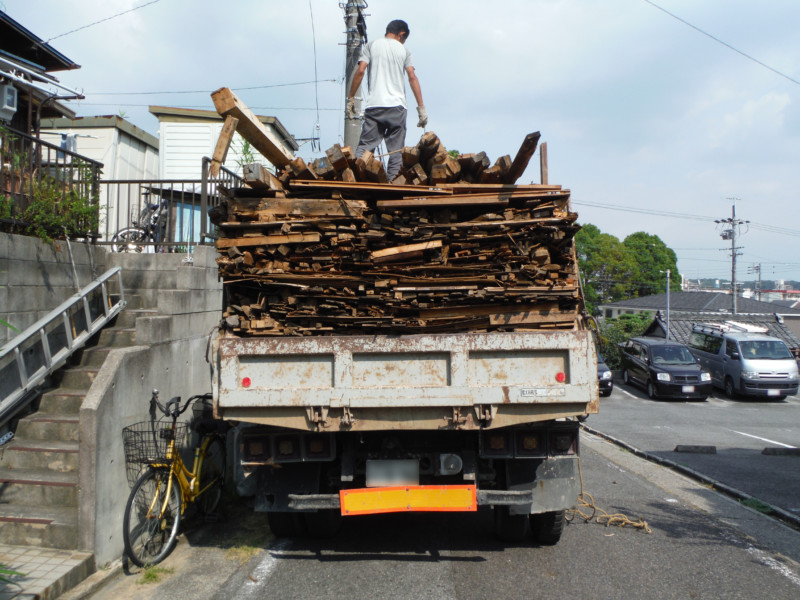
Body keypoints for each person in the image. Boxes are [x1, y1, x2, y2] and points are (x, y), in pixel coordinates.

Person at [346, 19, 427, 181]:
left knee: (365, 148)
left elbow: (361, 71)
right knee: (395, 152)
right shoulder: (405, 51)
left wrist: (351, 98)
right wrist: (421, 108)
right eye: (404, 39)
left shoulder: (372, 45)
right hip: (397, 108)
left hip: (375, 106)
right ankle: (392, 186)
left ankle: (357, 181)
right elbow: (412, 77)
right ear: (401, 34)